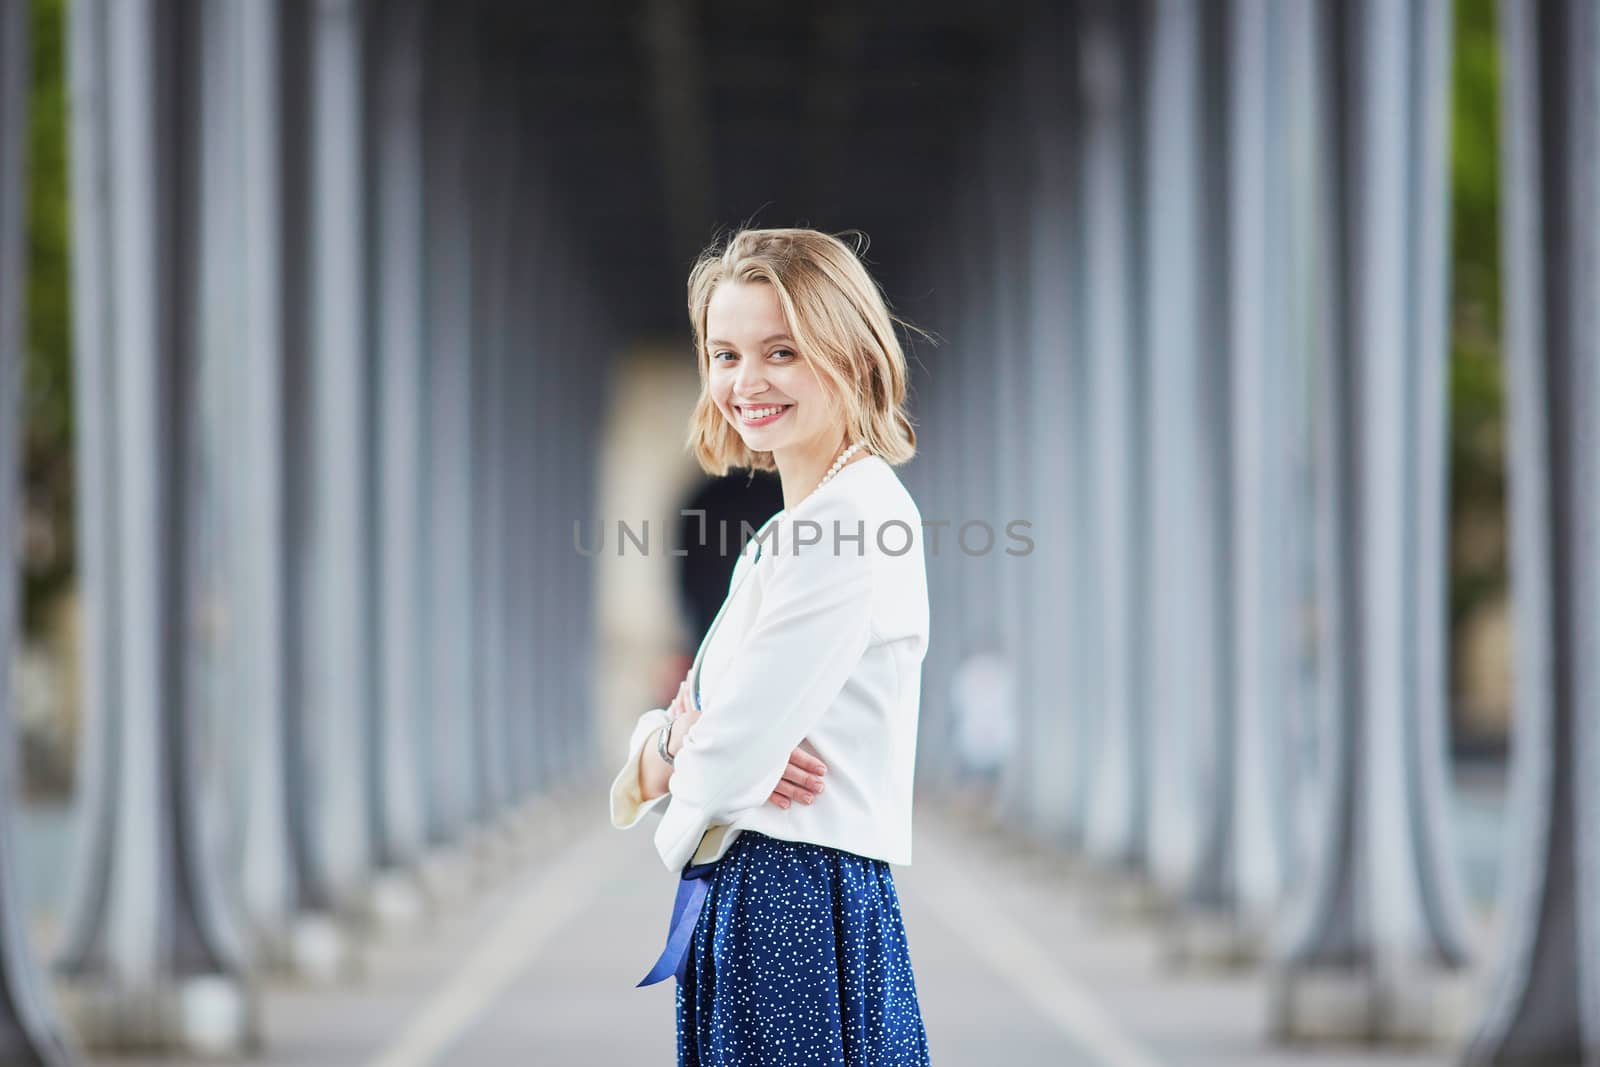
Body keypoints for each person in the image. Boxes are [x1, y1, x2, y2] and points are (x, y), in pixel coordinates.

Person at [608, 227, 934, 1066]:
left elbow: (727, 755)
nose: (744, 382)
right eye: (724, 353)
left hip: (789, 896)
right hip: (779, 892)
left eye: (780, 351)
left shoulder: (845, 525)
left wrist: (690, 749)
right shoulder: (798, 528)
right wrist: (682, 740)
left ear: (851, 355)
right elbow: (716, 740)